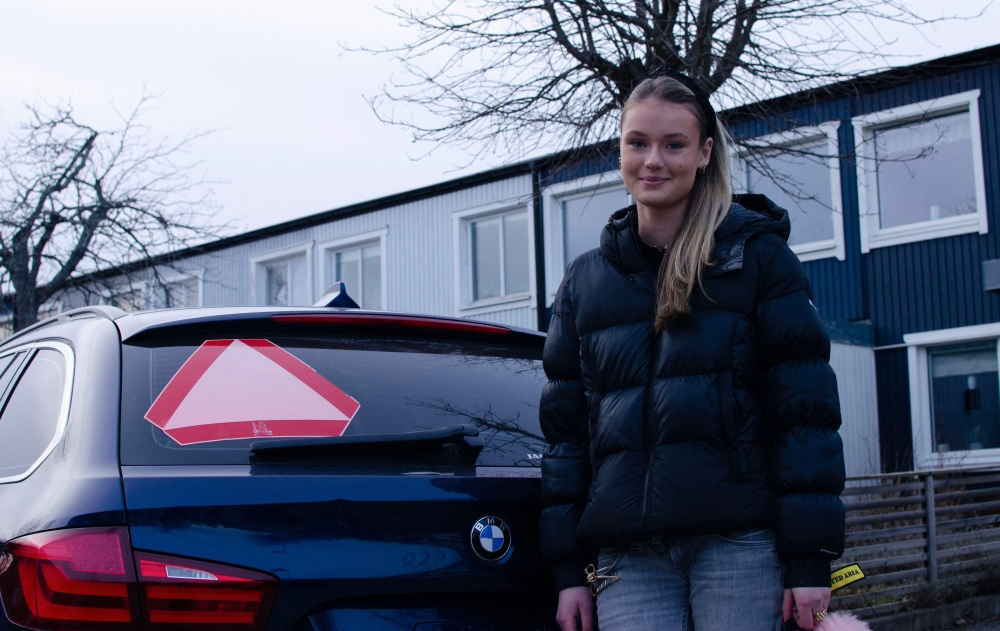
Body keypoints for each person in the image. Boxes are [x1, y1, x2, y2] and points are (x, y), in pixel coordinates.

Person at [539, 70, 846, 631]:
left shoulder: (759, 261)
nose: (653, 160)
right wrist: (569, 571)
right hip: (627, 559)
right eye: (638, 143)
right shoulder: (584, 282)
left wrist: (809, 560)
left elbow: (804, 418)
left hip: (738, 546)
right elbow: (567, 439)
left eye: (674, 144)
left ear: (704, 153)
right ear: (620, 151)